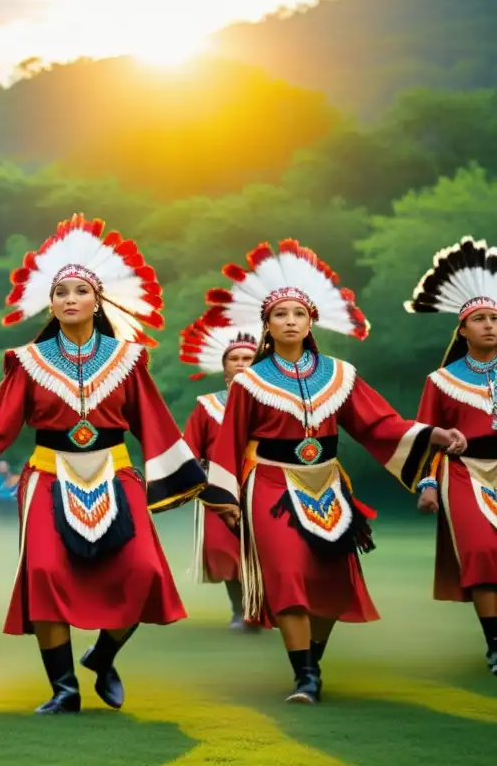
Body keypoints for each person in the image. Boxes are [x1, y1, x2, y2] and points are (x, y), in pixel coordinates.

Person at [0, 214, 206, 715]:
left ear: (98, 301)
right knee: (45, 571)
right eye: (60, 292)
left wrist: (193, 480)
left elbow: (156, 423)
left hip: (116, 472)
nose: (69, 299)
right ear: (50, 304)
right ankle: (64, 688)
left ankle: (104, 654)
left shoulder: (128, 359)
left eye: (79, 290)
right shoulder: (28, 361)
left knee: (142, 570)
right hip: (49, 476)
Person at [197, 239, 467, 704]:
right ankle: (305, 676)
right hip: (268, 481)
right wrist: (225, 501)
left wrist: (434, 434)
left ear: (310, 321)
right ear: (267, 325)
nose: (289, 321)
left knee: (331, 579)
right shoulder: (249, 381)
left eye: (297, 314)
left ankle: (311, 659)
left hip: (327, 482)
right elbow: (228, 444)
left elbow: (379, 424)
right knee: (285, 573)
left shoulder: (341, 374)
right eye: (279, 315)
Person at [405, 236, 497, 678]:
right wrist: (426, 485)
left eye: (495, 318)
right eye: (479, 319)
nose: (489, 326)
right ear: (461, 329)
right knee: (480, 550)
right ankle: (495, 644)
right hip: (462, 472)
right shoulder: (440, 380)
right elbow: (424, 437)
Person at [179, 318, 260, 629]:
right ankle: (240, 611)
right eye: (234, 359)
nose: (240, 364)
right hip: (217, 488)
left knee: (265, 549)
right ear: (224, 367)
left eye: (247, 359)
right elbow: (190, 448)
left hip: (264, 482)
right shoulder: (208, 405)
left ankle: (265, 608)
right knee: (225, 550)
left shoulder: (275, 400)